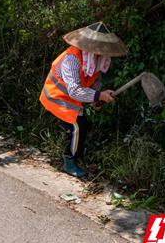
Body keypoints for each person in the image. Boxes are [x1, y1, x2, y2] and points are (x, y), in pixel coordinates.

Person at [39, 22, 128, 177]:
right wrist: (99, 96)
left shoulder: (98, 60)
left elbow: (94, 83)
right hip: (56, 96)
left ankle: (74, 153)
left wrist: (96, 100)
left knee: (83, 125)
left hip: (73, 97)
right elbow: (74, 90)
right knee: (76, 127)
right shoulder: (71, 60)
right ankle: (69, 161)